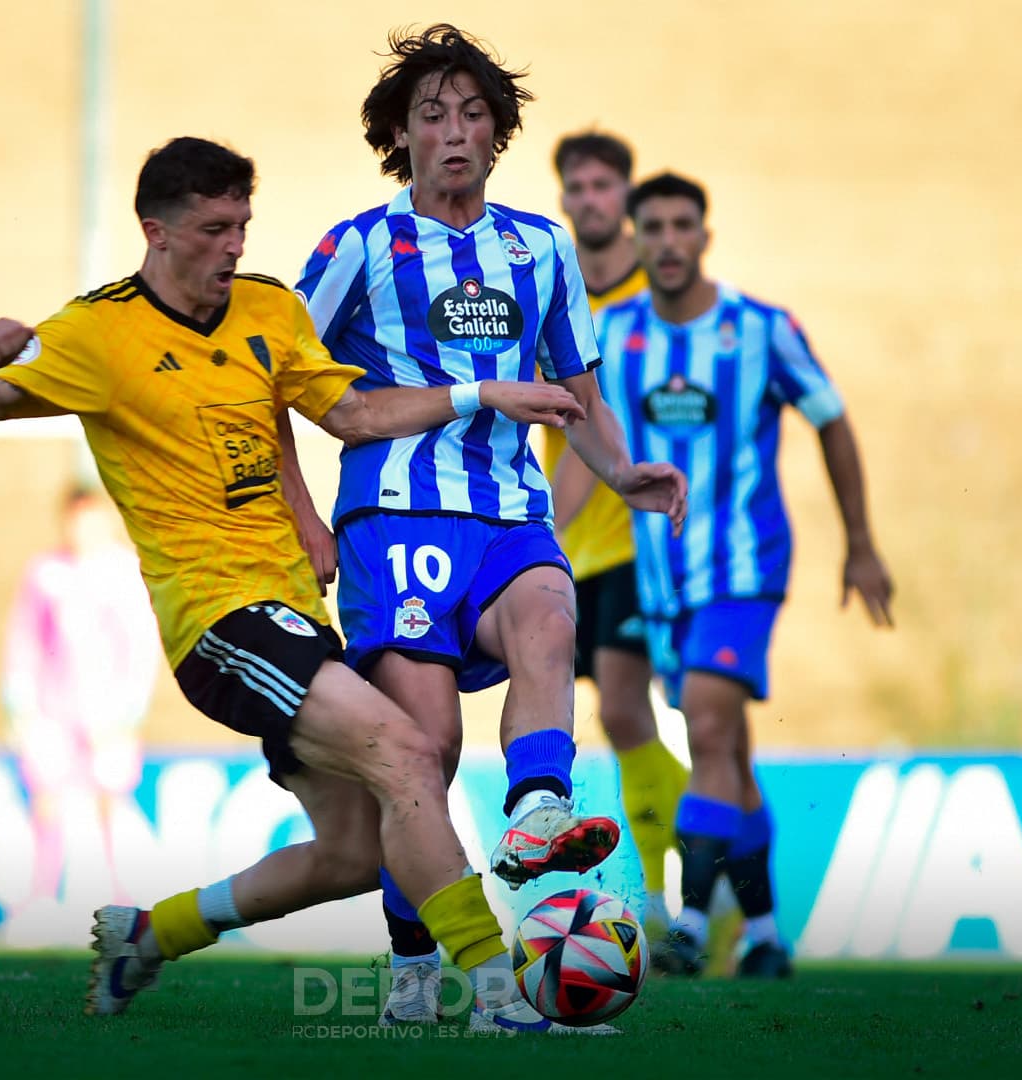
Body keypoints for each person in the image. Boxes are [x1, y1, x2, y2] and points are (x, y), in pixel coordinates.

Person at [0, 135, 597, 1033]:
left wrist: (479, 395)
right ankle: (495, 990)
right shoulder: (95, 333)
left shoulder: (268, 308)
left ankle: (150, 935)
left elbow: (351, 413)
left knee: (353, 853)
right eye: (215, 229)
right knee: (408, 753)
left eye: (242, 225)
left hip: (292, 612)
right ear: (157, 232)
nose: (235, 245)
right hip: (218, 619)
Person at [290, 25, 687, 1024]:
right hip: (396, 520)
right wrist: (298, 515)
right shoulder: (356, 248)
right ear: (400, 136)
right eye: (433, 116)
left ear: (498, 133)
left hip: (511, 511)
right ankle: (414, 962)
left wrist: (622, 470)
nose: (456, 132)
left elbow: (578, 392)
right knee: (423, 751)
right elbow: (279, 381)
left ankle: (539, 811)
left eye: (474, 114)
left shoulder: (540, 247)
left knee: (551, 618)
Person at [596, 172, 895, 978]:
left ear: (705, 236)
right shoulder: (611, 335)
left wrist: (860, 542)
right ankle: (764, 936)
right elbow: (583, 437)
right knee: (727, 747)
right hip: (661, 582)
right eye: (652, 227)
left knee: (706, 728)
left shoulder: (762, 328)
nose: (668, 241)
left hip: (743, 569)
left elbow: (831, 418)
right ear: (635, 239)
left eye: (681, 225)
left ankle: (692, 926)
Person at [543, 131, 690, 936]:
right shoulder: (554, 292)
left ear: (626, 198)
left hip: (647, 541)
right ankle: (688, 887)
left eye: (604, 185)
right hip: (579, 548)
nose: (590, 199)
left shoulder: (651, 300)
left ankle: (689, 888)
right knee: (618, 720)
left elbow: (601, 423)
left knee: (634, 709)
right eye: (578, 186)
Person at [1, 480, 158, 917]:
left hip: (109, 712)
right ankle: (41, 894)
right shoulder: (45, 572)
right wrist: (19, 703)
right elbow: (24, 640)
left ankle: (119, 897)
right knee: (47, 798)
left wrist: (130, 709)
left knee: (110, 800)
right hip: (53, 710)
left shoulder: (126, 572)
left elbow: (141, 644)